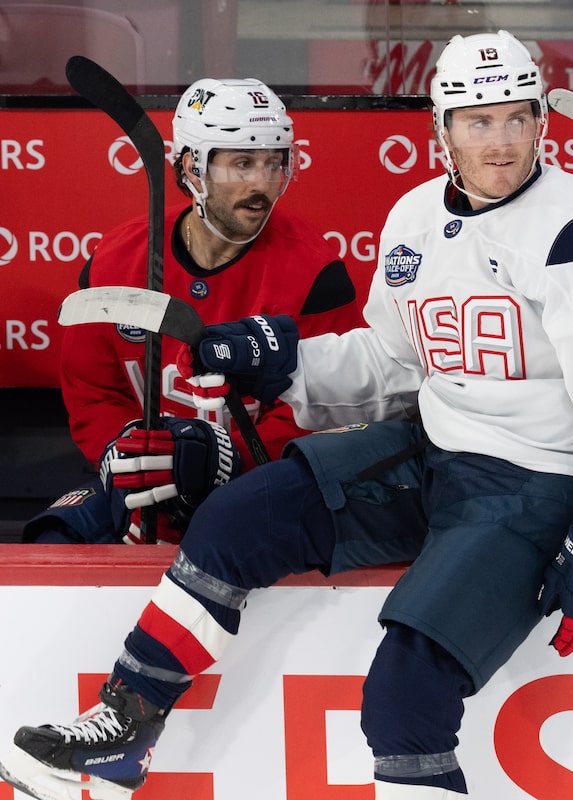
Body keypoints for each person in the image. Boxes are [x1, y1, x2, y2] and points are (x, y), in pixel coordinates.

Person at [0, 30, 573, 800]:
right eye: (477, 120)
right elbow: (393, 362)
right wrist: (285, 361)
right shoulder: (417, 218)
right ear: (441, 131)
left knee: (404, 701)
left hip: (536, 484)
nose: (500, 141)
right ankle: (123, 732)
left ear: (541, 124)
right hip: (435, 454)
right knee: (237, 519)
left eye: (516, 117)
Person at [23, 77, 362, 545]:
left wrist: (223, 459)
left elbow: (329, 405)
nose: (261, 184)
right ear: (191, 168)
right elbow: (93, 391)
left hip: (261, 479)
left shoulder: (315, 274)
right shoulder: (117, 261)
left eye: (273, 164)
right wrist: (132, 457)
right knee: (54, 542)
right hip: (138, 478)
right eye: (241, 164)